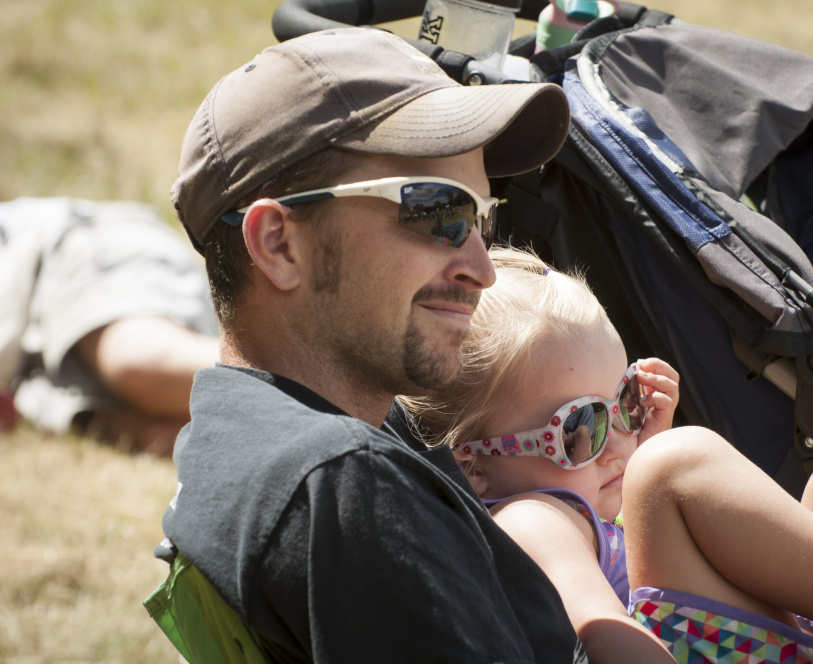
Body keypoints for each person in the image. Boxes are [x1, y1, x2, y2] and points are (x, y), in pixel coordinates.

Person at [156, 26, 586, 662]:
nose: (483, 266)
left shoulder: (242, 427)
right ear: (278, 243)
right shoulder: (342, 488)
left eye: (481, 217)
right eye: (435, 209)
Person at [402, 246, 813, 664]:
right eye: (581, 427)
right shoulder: (531, 518)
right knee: (675, 466)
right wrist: (658, 471)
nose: (617, 441)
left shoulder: (591, 496)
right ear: (474, 466)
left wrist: (648, 449)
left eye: (625, 399)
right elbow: (599, 630)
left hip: (774, 639)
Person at [0, 196, 220, 454]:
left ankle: (275, 374)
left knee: (136, 361)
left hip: (71, 251)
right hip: (37, 370)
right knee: (162, 433)